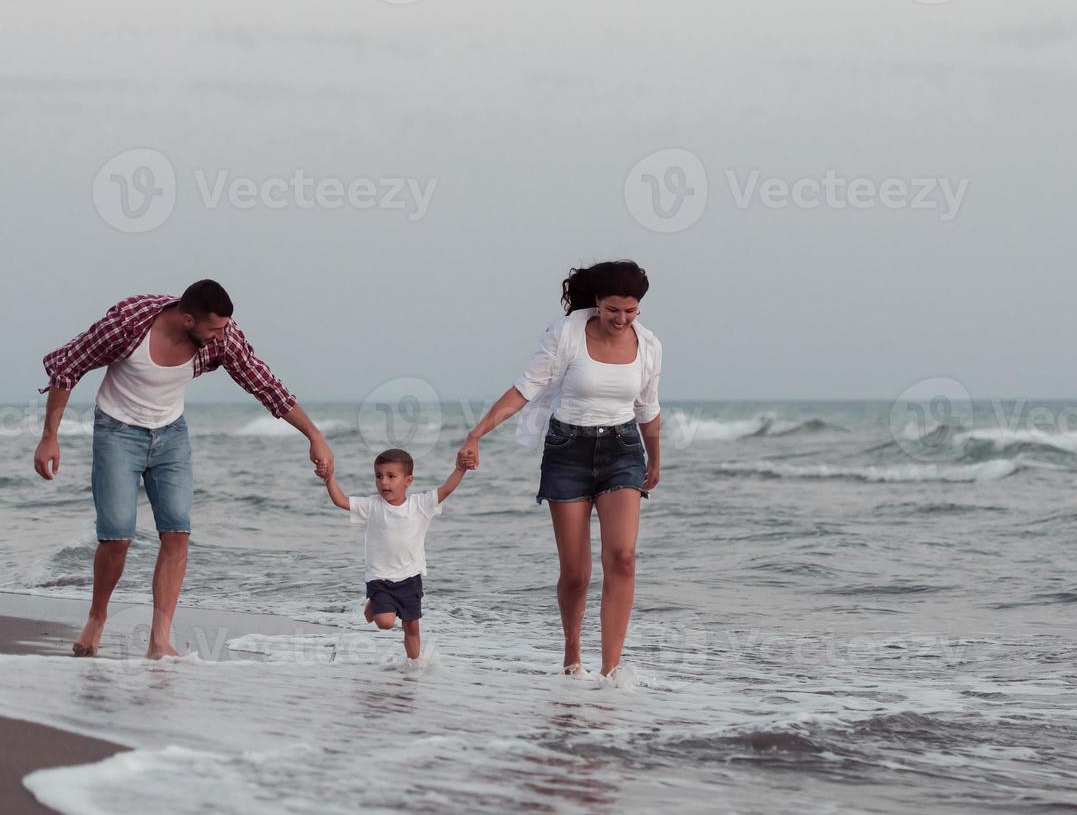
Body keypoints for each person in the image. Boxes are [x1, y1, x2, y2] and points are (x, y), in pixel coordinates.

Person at [33, 280, 335, 659]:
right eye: (215, 327)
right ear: (188, 319)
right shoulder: (129, 323)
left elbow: (265, 384)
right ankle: (97, 617)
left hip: (171, 436)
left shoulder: (223, 338)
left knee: (177, 532)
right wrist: (49, 436)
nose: (223, 335)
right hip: (117, 432)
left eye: (225, 327)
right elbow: (68, 366)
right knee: (116, 537)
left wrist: (314, 435)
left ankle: (160, 639)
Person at [457, 261, 662, 680]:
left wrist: (655, 459)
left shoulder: (650, 345)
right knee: (575, 571)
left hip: (623, 449)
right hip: (568, 450)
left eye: (630, 311)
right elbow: (524, 389)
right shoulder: (566, 333)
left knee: (622, 558)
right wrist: (476, 433)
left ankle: (611, 672)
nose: (622, 320)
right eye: (612, 310)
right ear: (597, 304)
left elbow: (647, 408)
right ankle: (572, 652)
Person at [324, 448, 465, 661]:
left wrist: (460, 468)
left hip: (410, 576)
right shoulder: (372, 505)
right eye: (379, 476)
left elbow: (446, 489)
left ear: (408, 480)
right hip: (379, 577)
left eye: (391, 476)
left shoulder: (420, 505)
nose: (384, 482)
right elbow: (341, 501)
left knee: (412, 625)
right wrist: (329, 478)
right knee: (386, 623)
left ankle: (414, 667)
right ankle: (374, 604)